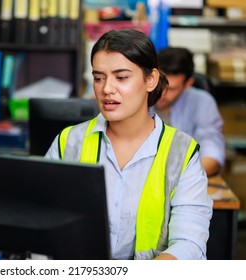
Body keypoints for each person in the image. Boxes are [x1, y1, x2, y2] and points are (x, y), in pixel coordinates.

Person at [44, 29, 212, 260]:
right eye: (99, 77)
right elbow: (43, 221)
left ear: (150, 80)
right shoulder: (69, 141)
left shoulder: (181, 153)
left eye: (121, 77)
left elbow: (189, 245)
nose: (107, 89)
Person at [151, 47, 225, 176]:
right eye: (158, 85)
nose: (162, 93)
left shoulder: (202, 102)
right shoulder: (136, 98)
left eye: (172, 89)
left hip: (183, 181)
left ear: (188, 84)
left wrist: (175, 177)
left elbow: (212, 154)